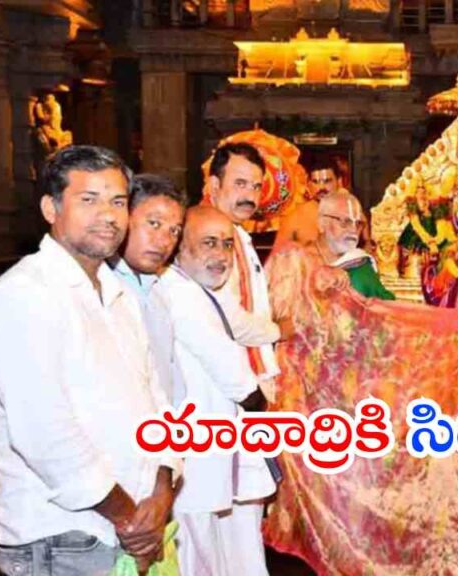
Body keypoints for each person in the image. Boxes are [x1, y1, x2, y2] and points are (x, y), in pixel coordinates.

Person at [0, 145, 177, 575]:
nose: (108, 215)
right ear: (50, 209)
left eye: (118, 202)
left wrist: (163, 488)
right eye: (89, 199)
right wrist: (130, 520)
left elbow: (156, 402)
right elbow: (45, 436)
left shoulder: (119, 294)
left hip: (133, 527)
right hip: (62, 539)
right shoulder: (24, 295)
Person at [155, 206, 275, 576]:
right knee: (201, 557)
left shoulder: (196, 289)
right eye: (208, 243)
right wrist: (259, 401)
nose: (221, 255)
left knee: (229, 552)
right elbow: (233, 374)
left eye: (226, 244)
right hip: (197, 455)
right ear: (180, 248)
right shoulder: (179, 293)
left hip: (214, 448)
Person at [205, 142, 286, 402]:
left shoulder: (237, 232)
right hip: (227, 386)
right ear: (215, 185)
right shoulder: (209, 236)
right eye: (240, 184)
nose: (250, 196)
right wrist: (280, 331)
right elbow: (226, 319)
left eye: (256, 186)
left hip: (244, 381)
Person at [111, 173, 187, 400]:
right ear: (123, 218)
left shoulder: (158, 288)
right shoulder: (101, 289)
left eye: (174, 231)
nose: (165, 241)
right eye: (154, 224)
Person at [309, 190, 394, 300]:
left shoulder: (360, 265)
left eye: (358, 223)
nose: (353, 230)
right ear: (322, 224)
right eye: (346, 222)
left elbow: (384, 304)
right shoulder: (299, 261)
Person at [274, 159, 348, 248]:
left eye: (327, 181)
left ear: (339, 181)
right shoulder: (295, 217)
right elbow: (278, 253)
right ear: (308, 184)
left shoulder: (351, 212)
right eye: (315, 182)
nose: (321, 187)